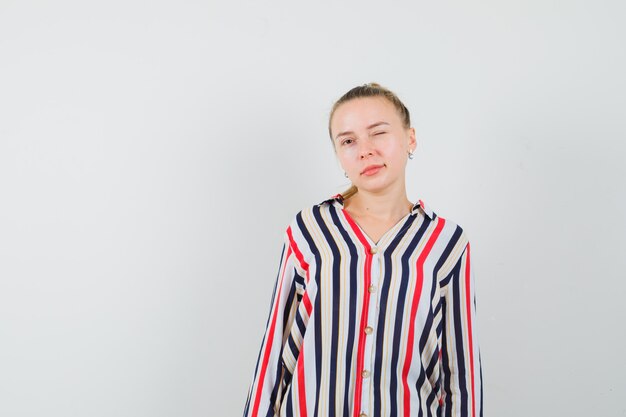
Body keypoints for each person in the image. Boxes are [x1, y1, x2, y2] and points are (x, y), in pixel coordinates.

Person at [243, 83, 482, 417]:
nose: (365, 150)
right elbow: (275, 352)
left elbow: (460, 373)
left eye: (378, 133)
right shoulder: (309, 230)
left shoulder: (447, 243)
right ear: (340, 155)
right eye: (348, 141)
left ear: (410, 138)